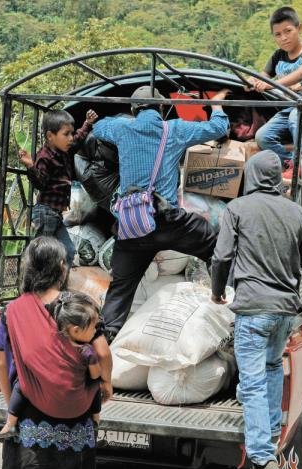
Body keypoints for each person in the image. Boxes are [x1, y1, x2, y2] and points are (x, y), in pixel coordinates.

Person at [0, 236, 114, 469]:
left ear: (30, 269)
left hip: (30, 413)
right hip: (76, 414)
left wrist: (11, 403)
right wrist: (105, 385)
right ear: (62, 269)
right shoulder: (79, 305)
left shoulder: (13, 311)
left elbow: (3, 362)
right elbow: (102, 352)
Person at [209, 150, 302, 469]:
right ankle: (270, 433)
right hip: (285, 311)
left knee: (253, 381)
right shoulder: (297, 213)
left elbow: (222, 256)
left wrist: (216, 292)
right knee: (271, 368)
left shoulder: (237, 209)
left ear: (252, 176)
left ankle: (261, 463)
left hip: (254, 309)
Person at [92, 85, 231, 341]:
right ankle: (226, 302)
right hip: (170, 222)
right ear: (163, 108)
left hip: (132, 225)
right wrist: (218, 107)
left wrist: (118, 119)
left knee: (121, 288)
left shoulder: (123, 128)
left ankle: (106, 338)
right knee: (216, 246)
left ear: (134, 109)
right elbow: (220, 129)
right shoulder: (174, 128)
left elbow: (98, 127)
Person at [0, 292, 104, 440]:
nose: (95, 331)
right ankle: (96, 419)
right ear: (76, 330)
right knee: (96, 384)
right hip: (75, 403)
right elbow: (96, 375)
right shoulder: (87, 351)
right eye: (93, 327)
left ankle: (10, 423)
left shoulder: (51, 343)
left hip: (46, 395)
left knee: (21, 386)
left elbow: (2, 363)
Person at [247, 6, 302, 181]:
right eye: (278, 34)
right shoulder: (278, 56)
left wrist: (272, 85)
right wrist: (252, 81)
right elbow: (262, 76)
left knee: (296, 116)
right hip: (293, 106)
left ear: (299, 28)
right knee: (263, 136)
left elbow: (300, 74)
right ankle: (290, 164)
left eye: (288, 31)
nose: (284, 38)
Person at [18, 109, 99, 266]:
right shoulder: (45, 157)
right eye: (66, 134)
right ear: (50, 136)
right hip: (45, 213)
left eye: (71, 133)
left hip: (55, 215)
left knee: (68, 252)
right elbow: (40, 183)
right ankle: (32, 283)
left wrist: (87, 124)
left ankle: (59, 286)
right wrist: (30, 166)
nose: (70, 138)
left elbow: (78, 140)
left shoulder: (64, 150)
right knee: (40, 254)